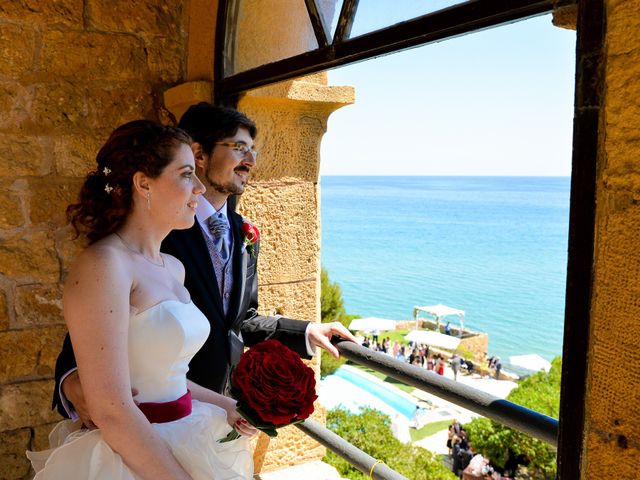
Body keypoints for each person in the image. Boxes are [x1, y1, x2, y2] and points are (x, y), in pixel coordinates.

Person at [53, 104, 357, 424]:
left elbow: (240, 321)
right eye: (240, 148)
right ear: (200, 153)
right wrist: (72, 380)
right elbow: (93, 325)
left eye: (254, 149)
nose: (251, 161)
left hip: (217, 414)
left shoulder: (245, 233)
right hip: (150, 418)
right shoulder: (156, 229)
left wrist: (307, 332)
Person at [28, 121, 255, 479]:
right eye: (185, 175)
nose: (199, 187)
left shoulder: (173, 267)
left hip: (188, 434)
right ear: (143, 183)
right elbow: (111, 409)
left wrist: (227, 405)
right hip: (130, 458)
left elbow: (168, 378)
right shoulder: (104, 265)